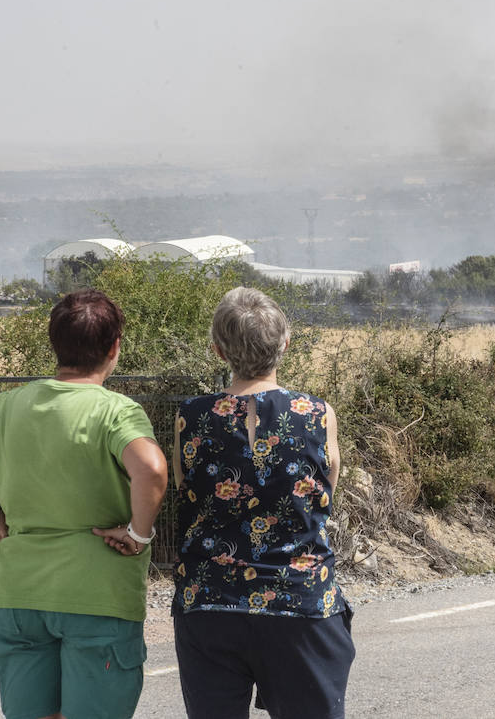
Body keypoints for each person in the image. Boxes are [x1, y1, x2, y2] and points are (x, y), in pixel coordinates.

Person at [0, 288, 169, 719]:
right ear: (114, 348)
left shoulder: (8, 405)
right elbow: (150, 469)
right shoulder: (117, 411)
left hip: (21, 593)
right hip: (99, 594)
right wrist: (137, 533)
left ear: (55, 344)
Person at [172, 286, 353, 719]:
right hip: (300, 601)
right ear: (285, 343)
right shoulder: (316, 414)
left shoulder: (191, 415)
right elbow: (326, 487)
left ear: (218, 350)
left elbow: (184, 486)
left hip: (210, 600)